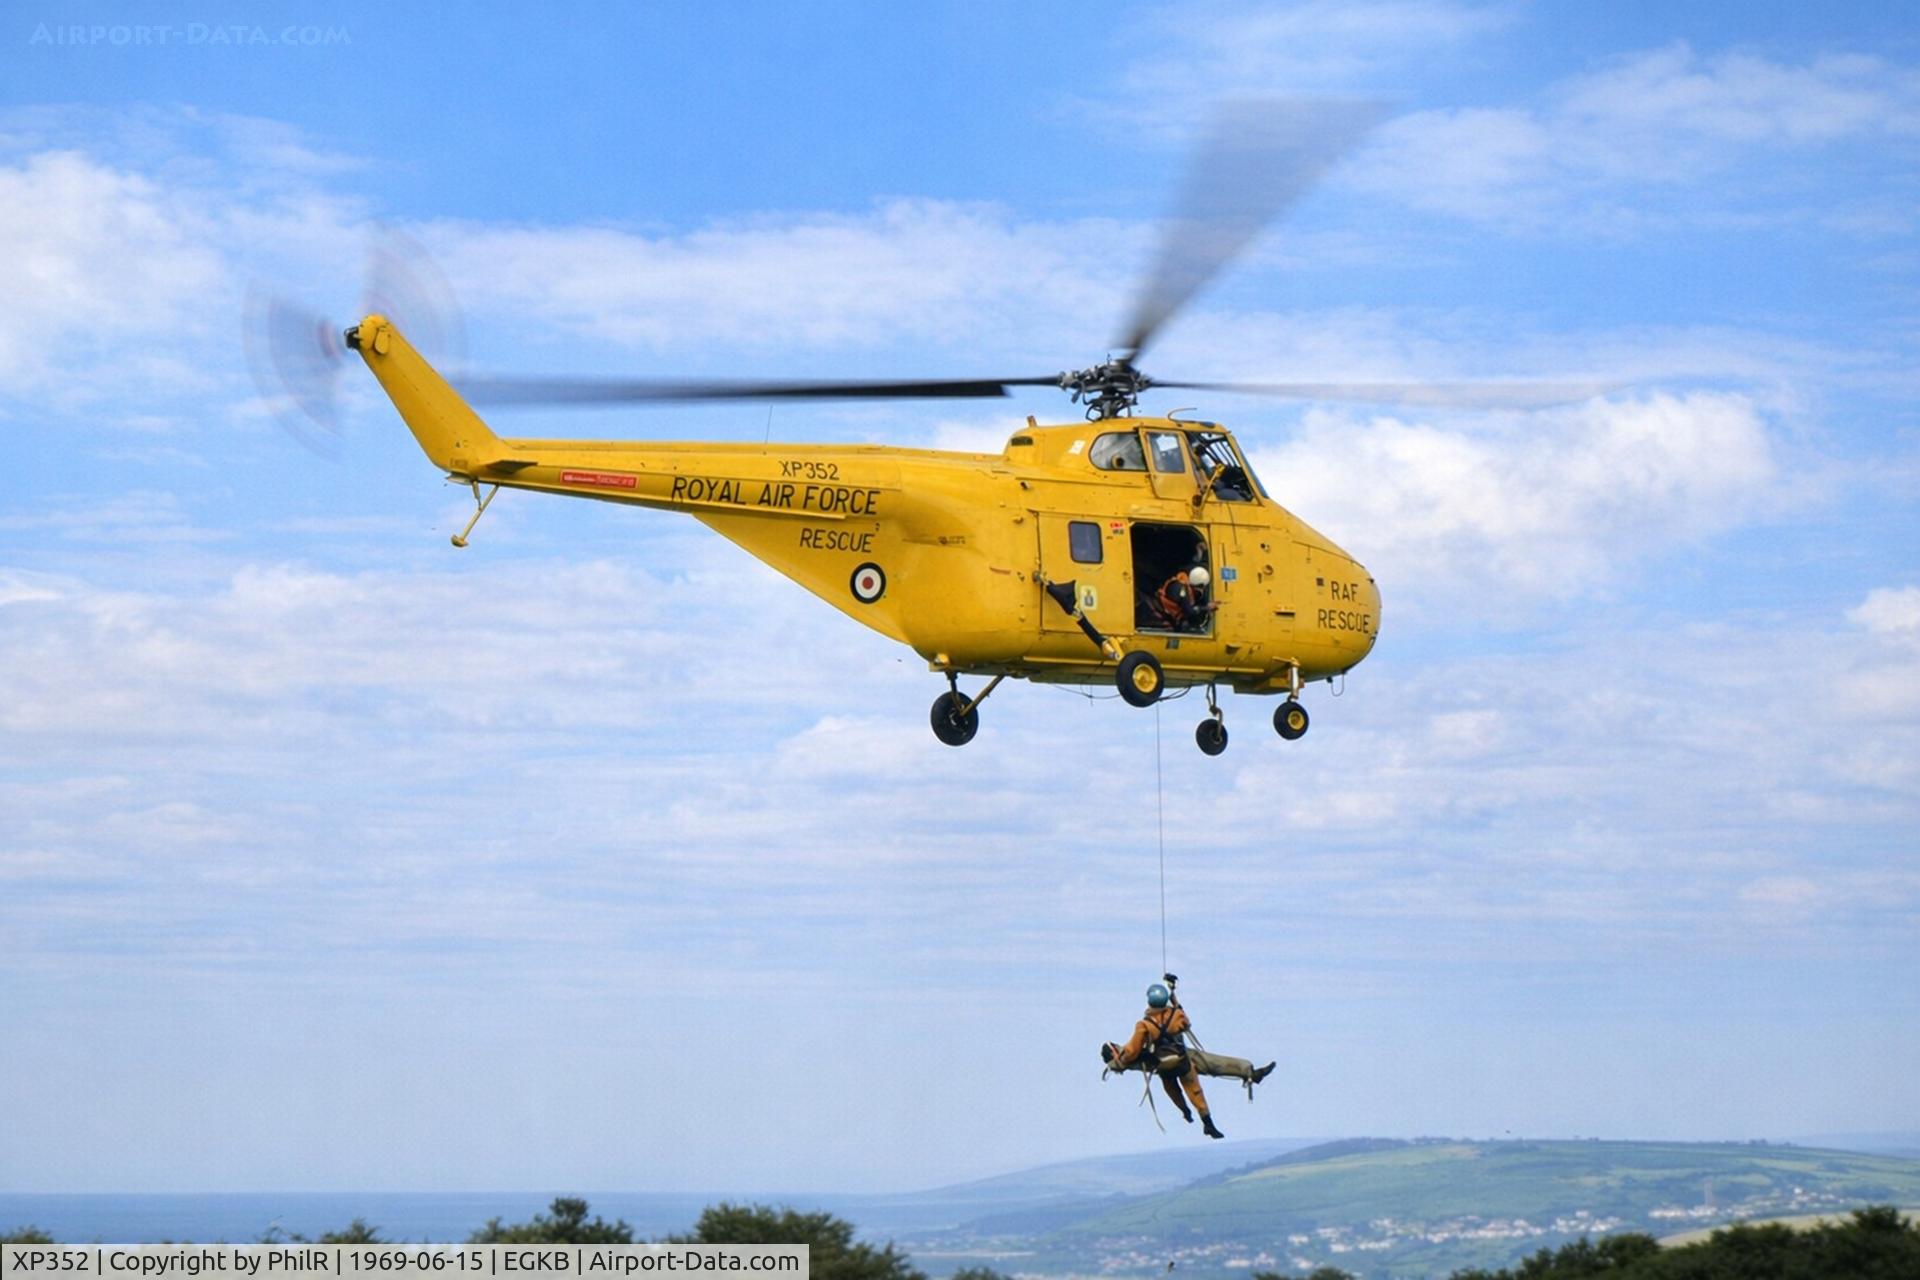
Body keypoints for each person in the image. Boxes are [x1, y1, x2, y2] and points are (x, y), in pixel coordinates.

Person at [1101, 976, 1274, 1140]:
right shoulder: (1176, 1015)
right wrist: (1173, 994)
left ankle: (1187, 1112)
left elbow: (1132, 1051)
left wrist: (1120, 1060)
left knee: (1175, 1091)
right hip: (1182, 1059)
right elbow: (1186, 1023)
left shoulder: (1144, 1025)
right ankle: (1243, 1080)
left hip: (1163, 1064)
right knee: (1209, 1071)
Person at [1154, 562, 1216, 632]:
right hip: (1164, 616)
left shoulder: (1181, 583)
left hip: (1168, 613)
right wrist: (1207, 608)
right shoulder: (1182, 589)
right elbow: (1189, 611)